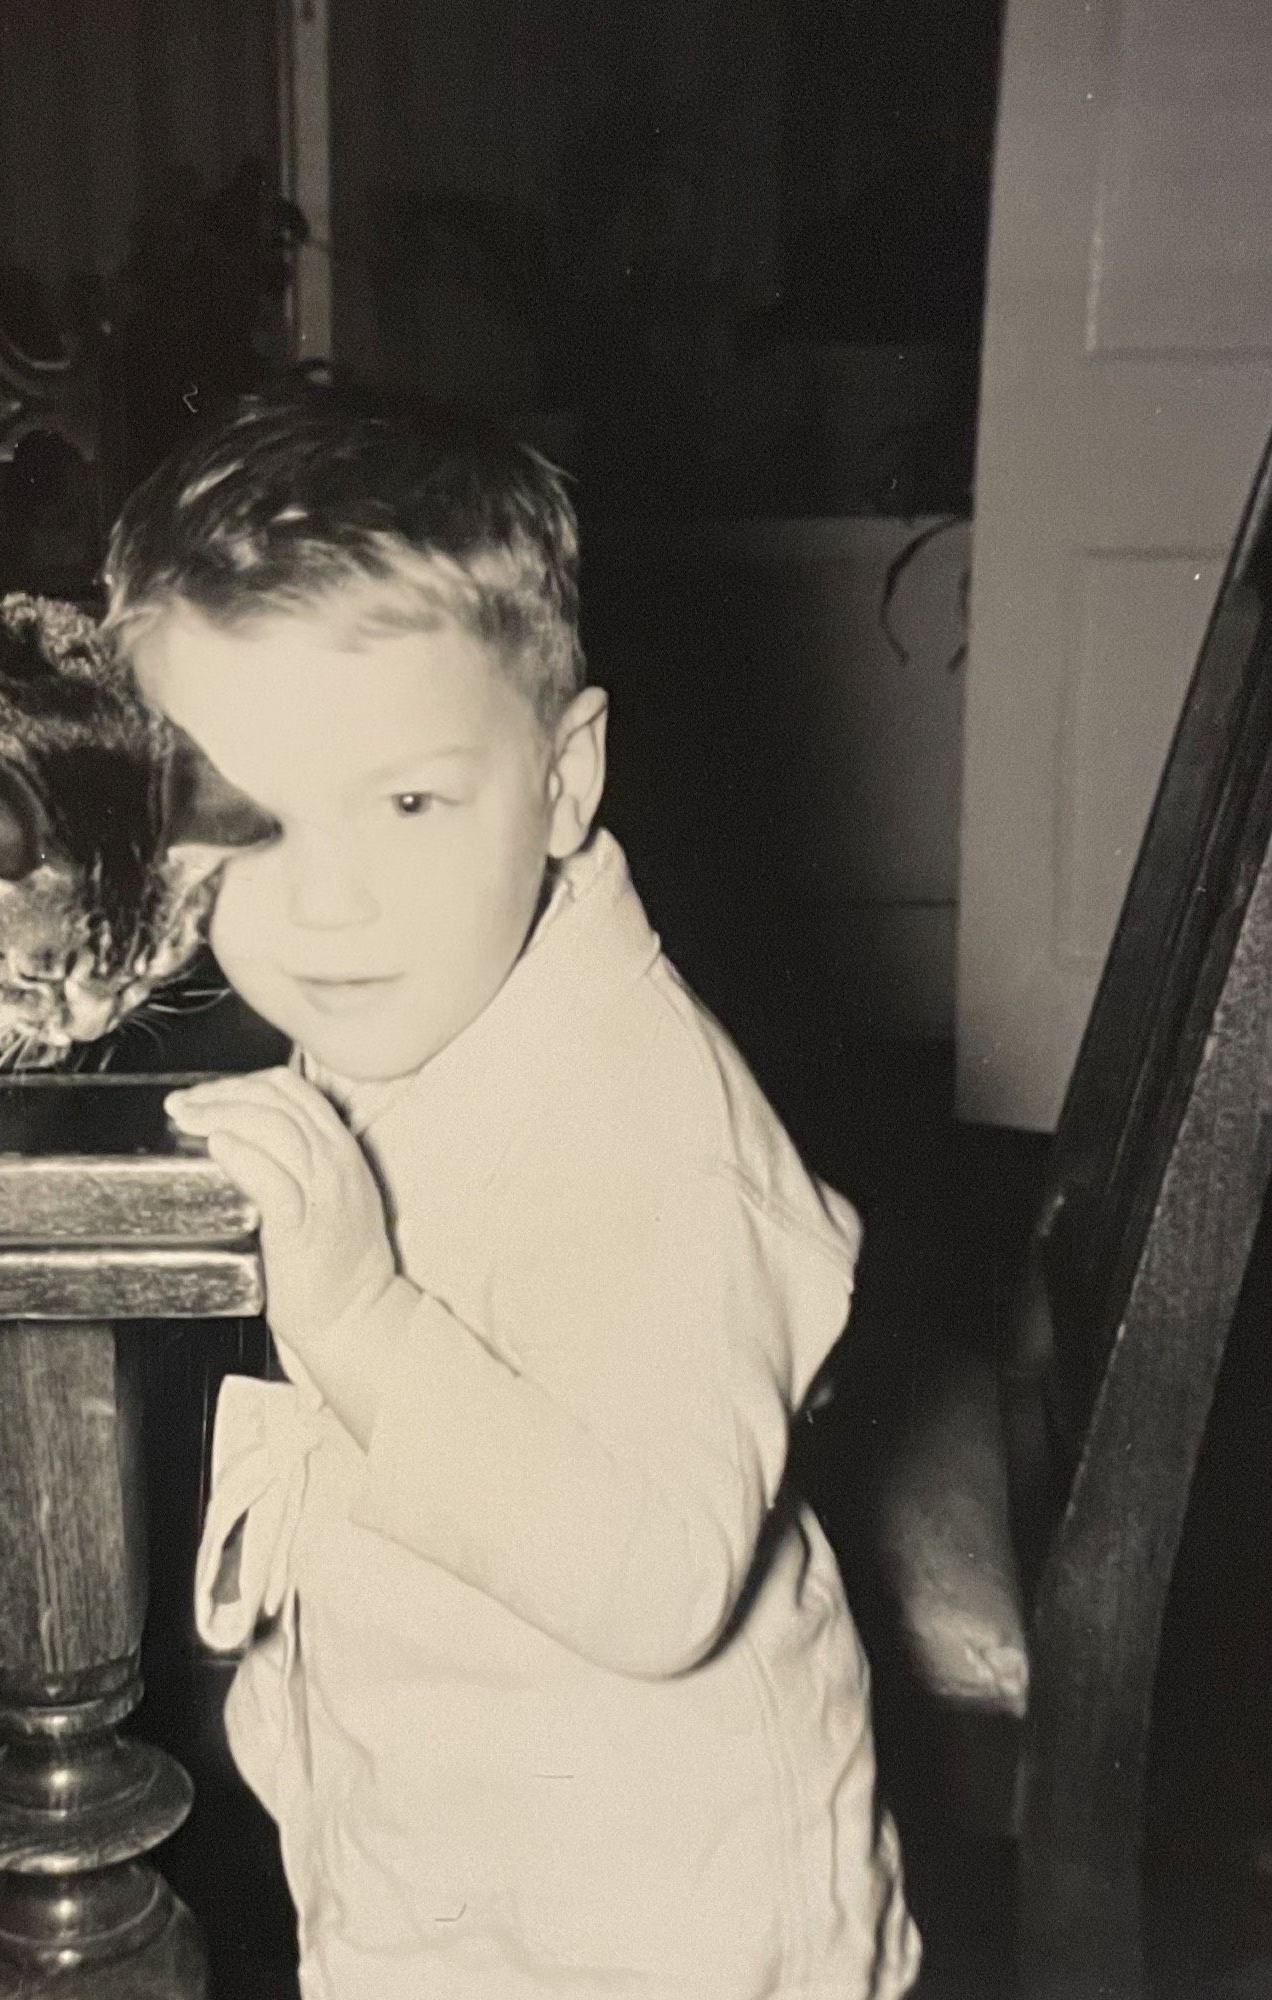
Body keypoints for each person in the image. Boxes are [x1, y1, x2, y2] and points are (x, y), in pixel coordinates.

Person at [103, 383, 921, 2000]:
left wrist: (354, 1316)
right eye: (241, 824)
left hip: (666, 1926)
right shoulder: (435, 1007)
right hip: (463, 1871)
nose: (325, 902)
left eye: (410, 801)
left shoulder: (649, 1135)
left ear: (562, 780)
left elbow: (658, 1579)